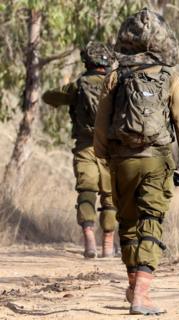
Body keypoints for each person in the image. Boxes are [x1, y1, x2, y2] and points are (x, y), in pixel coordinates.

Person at [94, 8, 179, 315]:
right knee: (151, 221)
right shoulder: (169, 76)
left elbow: (101, 124)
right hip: (157, 160)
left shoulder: (115, 75)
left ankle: (132, 287)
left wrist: (105, 157)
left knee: (127, 223)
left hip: (122, 160)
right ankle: (142, 293)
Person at [42, 41, 116, 259]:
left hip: (85, 147)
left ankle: (89, 239)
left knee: (87, 190)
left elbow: (49, 97)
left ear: (88, 61)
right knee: (110, 196)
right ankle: (109, 244)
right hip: (111, 148)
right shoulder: (116, 84)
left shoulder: (79, 85)